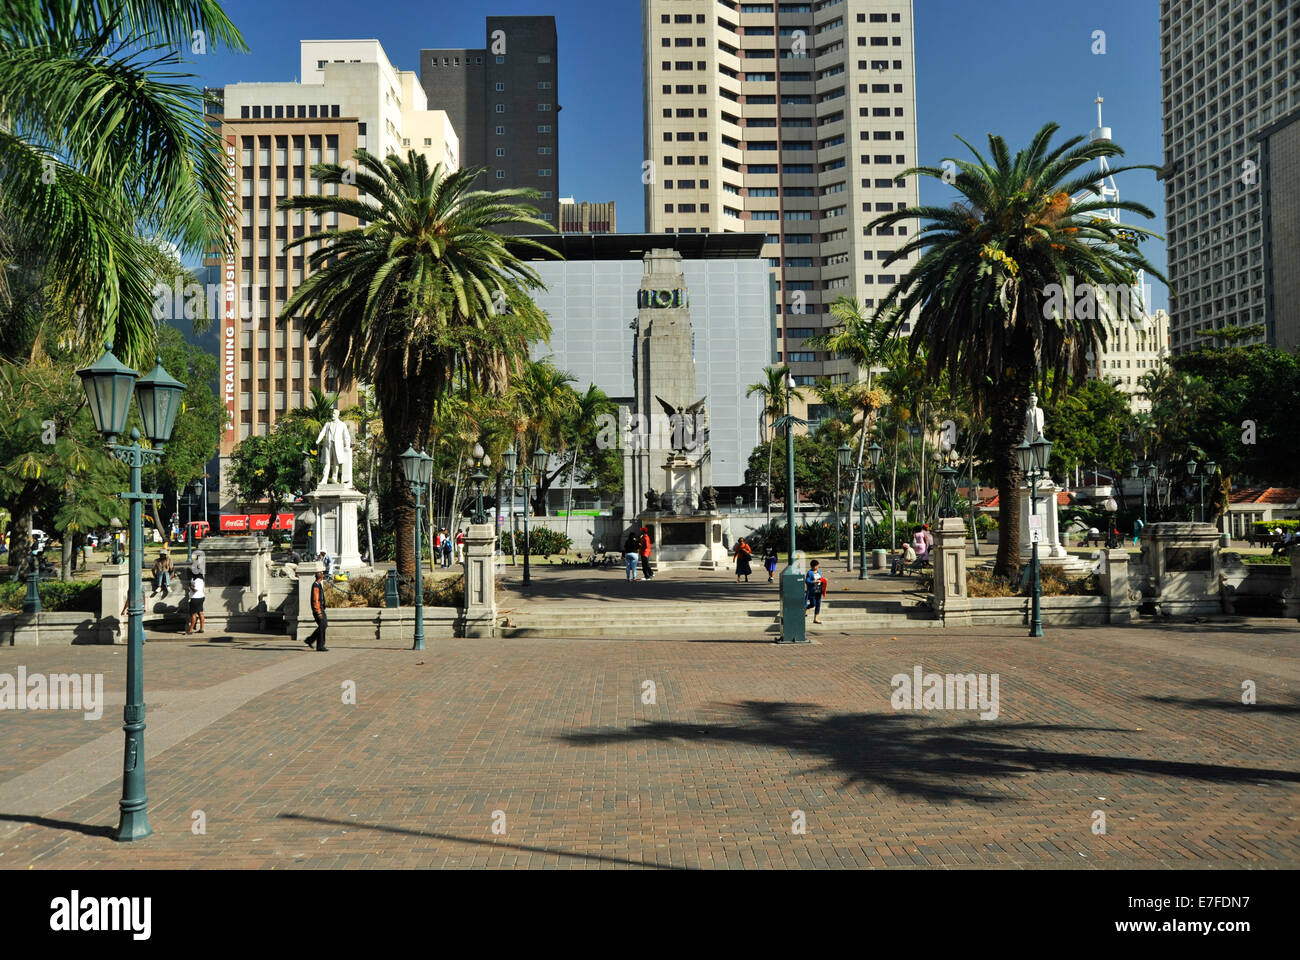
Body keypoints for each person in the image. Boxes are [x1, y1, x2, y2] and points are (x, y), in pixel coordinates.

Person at [304, 569, 328, 651]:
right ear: (321, 577)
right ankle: (320, 645)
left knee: (323, 625)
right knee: (323, 625)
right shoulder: (316, 585)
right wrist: (318, 611)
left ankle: (310, 640)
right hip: (318, 608)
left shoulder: (317, 584)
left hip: (320, 608)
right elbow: (315, 599)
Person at [804, 558, 825, 624]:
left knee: (818, 604)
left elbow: (821, 578)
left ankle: (815, 619)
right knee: (813, 604)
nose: (818, 567)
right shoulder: (810, 573)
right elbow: (807, 581)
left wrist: (823, 580)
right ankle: (806, 607)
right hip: (812, 591)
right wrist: (814, 581)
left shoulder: (819, 572)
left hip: (818, 590)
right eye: (817, 566)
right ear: (813, 566)